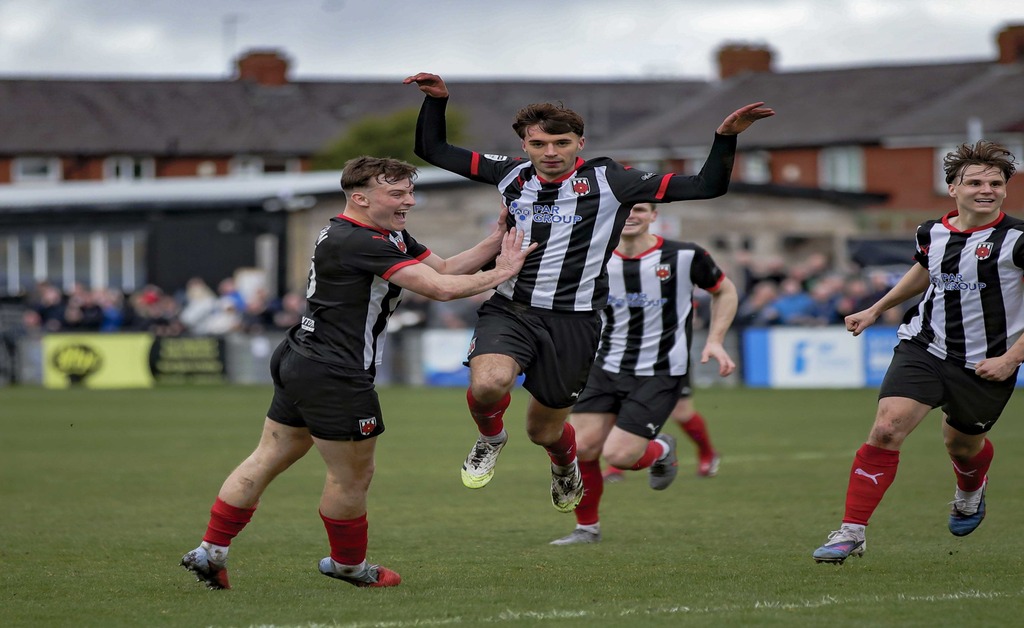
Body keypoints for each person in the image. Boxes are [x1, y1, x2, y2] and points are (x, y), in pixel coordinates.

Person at [402, 72, 772, 513]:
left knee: (545, 431)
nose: (550, 153)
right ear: (525, 145)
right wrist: (438, 101)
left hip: (574, 321)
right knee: (488, 384)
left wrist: (724, 137)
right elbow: (433, 150)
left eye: (560, 143)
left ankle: (564, 465)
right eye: (538, 144)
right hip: (512, 308)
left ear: (580, 141)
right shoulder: (511, 175)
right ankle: (490, 438)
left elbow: (707, 185)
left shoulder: (613, 180)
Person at [180, 156, 535, 589]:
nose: (410, 201)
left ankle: (211, 551)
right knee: (351, 476)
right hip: (336, 372)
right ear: (361, 198)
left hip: (302, 358)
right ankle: (349, 566)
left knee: (269, 456)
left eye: (409, 191)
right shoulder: (361, 241)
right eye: (398, 194)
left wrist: (497, 238)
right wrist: (503, 272)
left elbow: (442, 268)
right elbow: (440, 289)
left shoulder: (380, 233)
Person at [811, 140, 1024, 564]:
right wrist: (878, 308)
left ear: (1006, 189)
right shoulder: (932, 231)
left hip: (987, 364)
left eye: (995, 182)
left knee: (961, 446)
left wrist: (1011, 358)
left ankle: (971, 490)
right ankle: (852, 532)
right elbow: (923, 270)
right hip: (925, 345)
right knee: (886, 427)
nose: (985, 189)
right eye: (974, 182)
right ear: (953, 188)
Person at [550, 202, 738, 545]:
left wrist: (715, 339)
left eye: (639, 209)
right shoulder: (593, 256)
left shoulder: (684, 256)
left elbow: (724, 290)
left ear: (654, 215)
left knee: (620, 456)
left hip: (661, 370)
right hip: (604, 365)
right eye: (623, 210)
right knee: (583, 447)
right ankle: (587, 528)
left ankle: (661, 451)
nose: (631, 216)